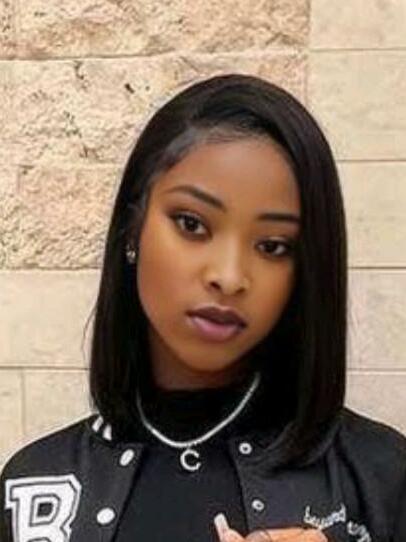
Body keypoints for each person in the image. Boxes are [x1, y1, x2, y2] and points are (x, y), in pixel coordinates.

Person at [0, 73, 405, 542]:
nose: (229, 277)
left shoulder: (381, 478)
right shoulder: (32, 484)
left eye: (273, 246)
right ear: (132, 229)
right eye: (192, 224)